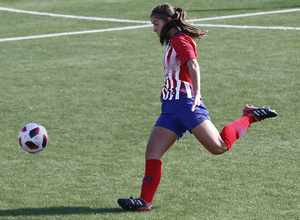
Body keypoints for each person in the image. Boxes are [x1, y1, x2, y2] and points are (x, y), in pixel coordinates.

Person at [117, 3, 277, 211]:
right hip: (170, 109)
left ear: (167, 22)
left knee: (219, 147)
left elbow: (193, 64)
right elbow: (176, 72)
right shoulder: (171, 42)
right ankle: (144, 202)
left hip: (187, 105)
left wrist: (197, 94)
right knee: (152, 153)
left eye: (156, 24)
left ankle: (249, 116)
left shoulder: (181, 40)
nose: (154, 29)